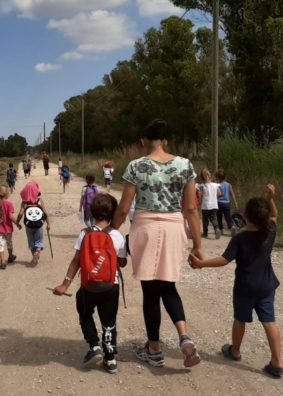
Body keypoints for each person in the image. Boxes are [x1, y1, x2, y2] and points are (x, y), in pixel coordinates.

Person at [112, 119, 203, 368]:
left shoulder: (136, 166)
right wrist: (197, 245)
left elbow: (123, 208)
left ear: (144, 140)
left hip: (146, 227)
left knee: (151, 291)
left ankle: (154, 349)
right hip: (174, 226)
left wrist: (110, 231)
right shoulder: (185, 165)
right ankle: (184, 336)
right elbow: (191, 208)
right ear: (165, 141)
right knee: (168, 285)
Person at [189, 184, 283, 378]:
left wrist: (201, 264)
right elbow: (275, 215)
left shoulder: (240, 239)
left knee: (240, 319)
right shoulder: (270, 230)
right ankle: (277, 362)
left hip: (245, 287)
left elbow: (224, 260)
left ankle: (235, 351)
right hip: (267, 286)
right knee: (269, 322)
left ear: (245, 216)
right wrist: (270, 198)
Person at [53, 193, 128, 374]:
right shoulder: (117, 235)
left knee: (85, 313)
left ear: (92, 213)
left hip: (89, 286)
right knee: (109, 321)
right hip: (111, 286)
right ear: (113, 214)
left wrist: (65, 285)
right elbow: (122, 263)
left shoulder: (85, 234)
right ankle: (110, 359)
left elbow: (76, 261)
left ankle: (94, 346)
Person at [16, 181, 51, 266]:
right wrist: (48, 224)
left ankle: (34, 255)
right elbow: (45, 213)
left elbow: (20, 214)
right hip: (39, 225)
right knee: (39, 240)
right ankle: (37, 252)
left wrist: (17, 222)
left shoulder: (24, 203)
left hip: (29, 226)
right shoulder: (39, 201)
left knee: (31, 241)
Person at [0, 185, 20, 270]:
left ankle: (2, 262)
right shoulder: (9, 204)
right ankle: (10, 256)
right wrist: (17, 224)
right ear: (7, 194)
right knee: (9, 243)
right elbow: (11, 217)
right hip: (8, 229)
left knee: (1, 245)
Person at [198, 169, 221, 239]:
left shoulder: (202, 186)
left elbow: (201, 195)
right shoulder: (215, 185)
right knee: (214, 219)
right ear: (210, 176)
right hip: (214, 205)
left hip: (205, 205)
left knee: (205, 220)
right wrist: (214, 197)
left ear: (202, 178)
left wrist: (199, 202)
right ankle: (217, 229)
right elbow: (219, 193)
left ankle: (205, 233)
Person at [216, 169, 238, 237]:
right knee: (228, 217)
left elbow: (216, 194)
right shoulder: (228, 185)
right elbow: (232, 194)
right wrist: (235, 203)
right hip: (227, 203)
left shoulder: (217, 185)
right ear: (225, 177)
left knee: (219, 217)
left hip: (219, 203)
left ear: (218, 178)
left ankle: (220, 229)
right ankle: (231, 227)